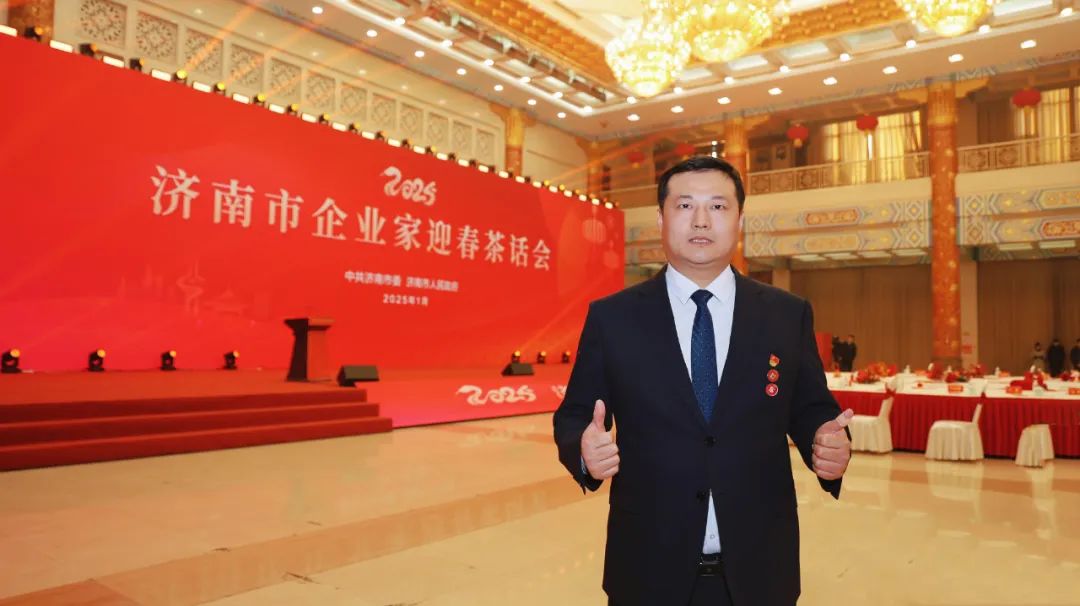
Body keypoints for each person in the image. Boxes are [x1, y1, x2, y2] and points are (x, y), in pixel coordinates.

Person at [553, 156, 853, 606]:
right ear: (660, 219)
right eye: (684, 205)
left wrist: (826, 443)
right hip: (647, 569)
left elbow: (811, 408)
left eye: (717, 206)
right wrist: (583, 449)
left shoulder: (786, 314)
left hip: (760, 570)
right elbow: (576, 414)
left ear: (739, 220)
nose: (700, 220)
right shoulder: (613, 318)